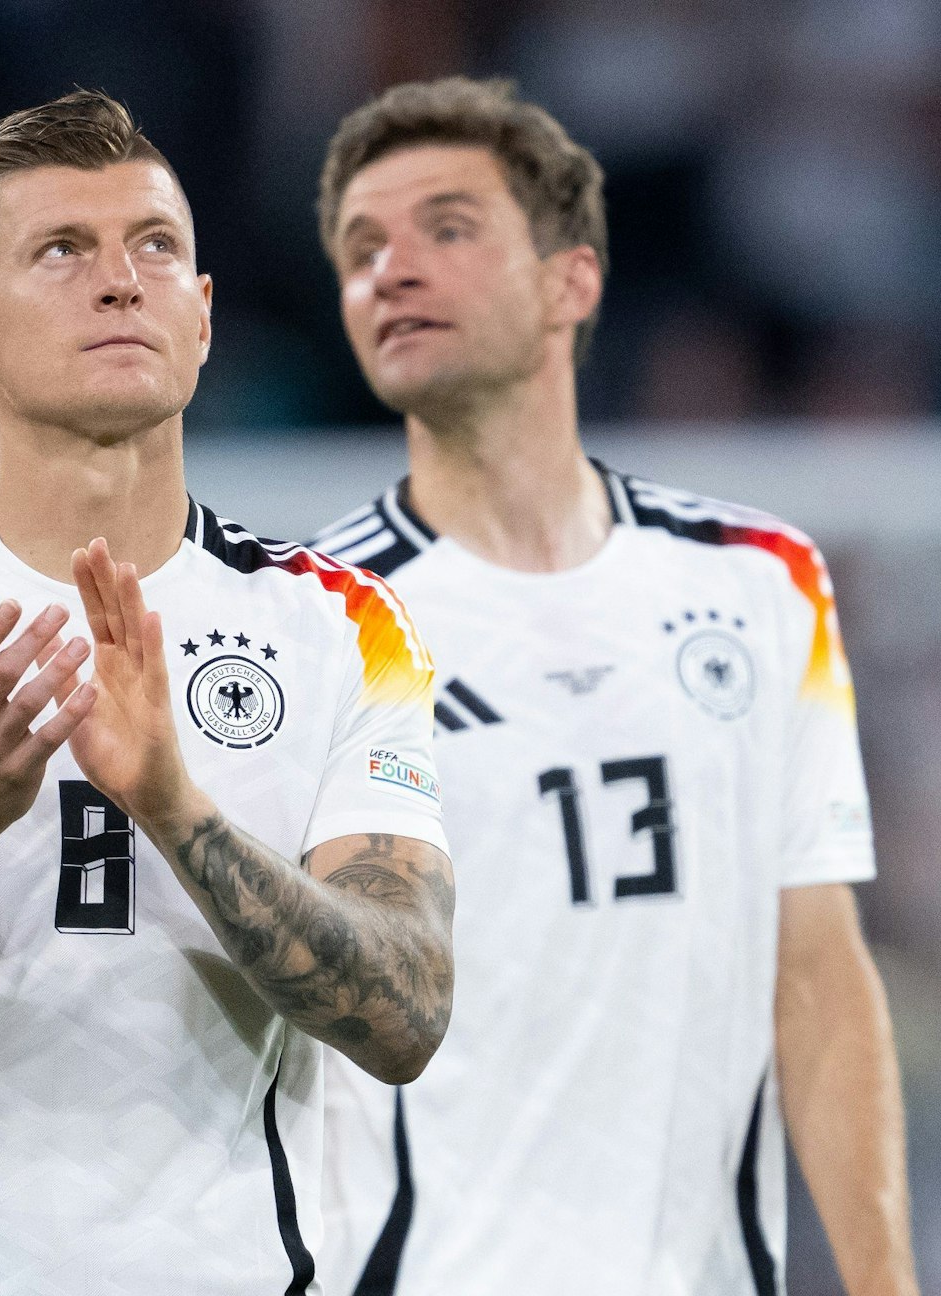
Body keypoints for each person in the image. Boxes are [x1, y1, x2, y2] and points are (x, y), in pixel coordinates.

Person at [0, 90, 455, 1296]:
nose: (121, 282)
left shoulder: (341, 621)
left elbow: (406, 1012)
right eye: (62, 251)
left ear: (204, 316)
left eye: (155, 247)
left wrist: (177, 808)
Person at [308, 77, 917, 1296]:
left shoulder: (762, 584)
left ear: (570, 281)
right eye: (362, 247)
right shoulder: (314, 623)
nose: (393, 269)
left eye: (448, 227)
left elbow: (819, 978)